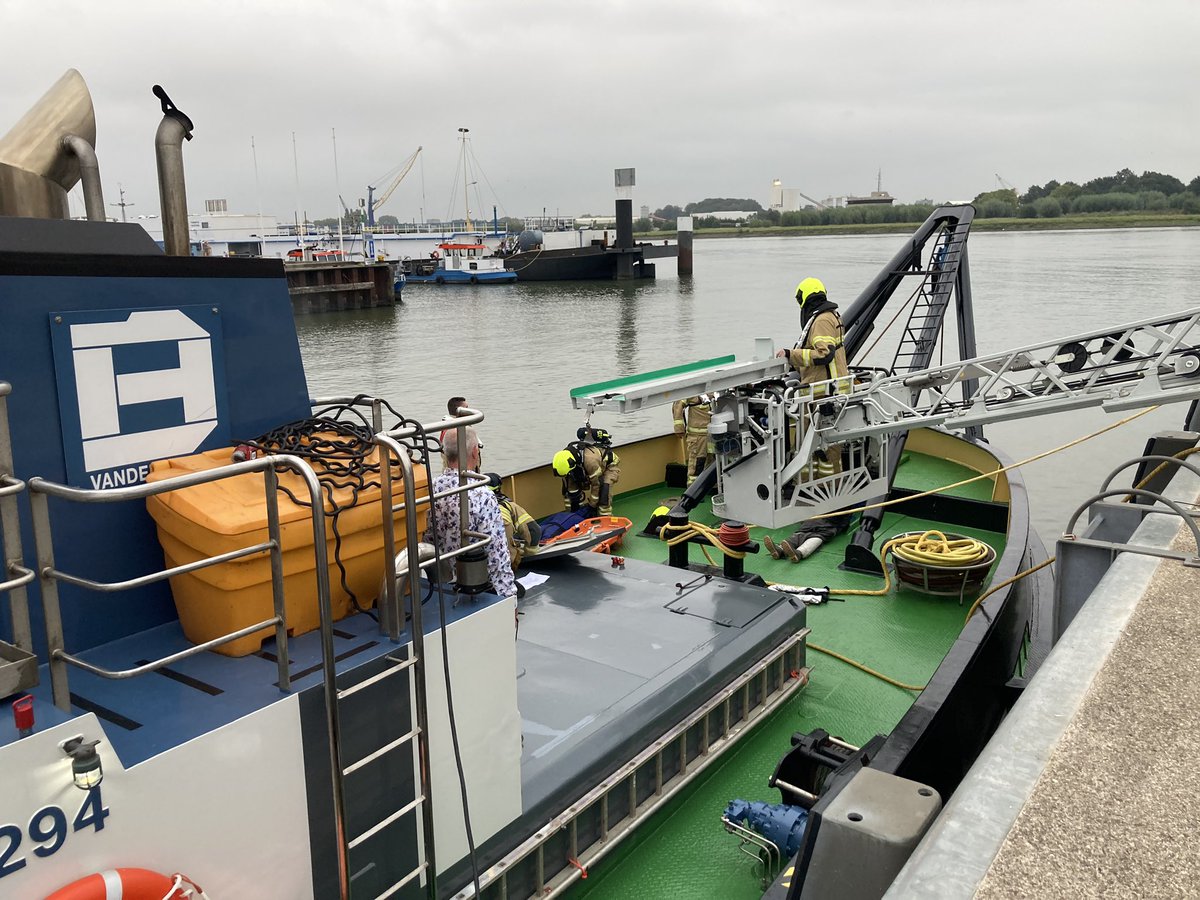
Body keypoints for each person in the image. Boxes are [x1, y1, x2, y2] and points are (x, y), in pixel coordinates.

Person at [425, 426, 515, 598]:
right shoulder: (482, 494)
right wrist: (509, 596)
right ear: (475, 452)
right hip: (474, 584)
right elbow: (496, 554)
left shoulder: (431, 488)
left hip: (440, 583)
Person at [775, 276, 851, 479]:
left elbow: (824, 354)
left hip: (822, 394)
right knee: (823, 446)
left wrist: (791, 354)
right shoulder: (831, 316)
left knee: (818, 446)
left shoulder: (822, 320)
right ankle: (819, 485)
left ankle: (819, 487)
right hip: (827, 392)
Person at [551, 428, 621, 516]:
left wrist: (592, 505)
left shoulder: (590, 462)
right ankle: (575, 516)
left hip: (609, 466)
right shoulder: (565, 462)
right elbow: (570, 488)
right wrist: (573, 510)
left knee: (604, 493)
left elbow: (597, 485)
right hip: (590, 466)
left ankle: (605, 517)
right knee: (570, 493)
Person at [486, 473, 542, 570]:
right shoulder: (508, 506)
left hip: (477, 565)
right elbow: (533, 530)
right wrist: (530, 552)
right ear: (498, 489)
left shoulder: (470, 508)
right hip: (506, 564)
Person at [671, 394, 713, 486]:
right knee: (697, 462)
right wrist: (679, 429)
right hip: (697, 437)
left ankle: (712, 486)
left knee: (713, 460)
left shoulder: (717, 389)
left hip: (714, 434)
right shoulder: (691, 392)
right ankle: (693, 488)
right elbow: (678, 405)